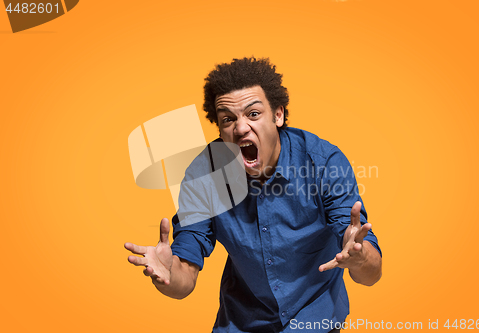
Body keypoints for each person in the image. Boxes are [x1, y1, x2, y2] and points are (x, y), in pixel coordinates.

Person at [125, 57, 382, 332]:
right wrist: (167, 273)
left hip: (314, 320)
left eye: (254, 114)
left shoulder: (324, 163)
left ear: (278, 115)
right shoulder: (203, 176)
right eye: (228, 119)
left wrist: (360, 257)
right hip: (242, 323)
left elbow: (371, 274)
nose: (240, 128)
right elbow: (184, 278)